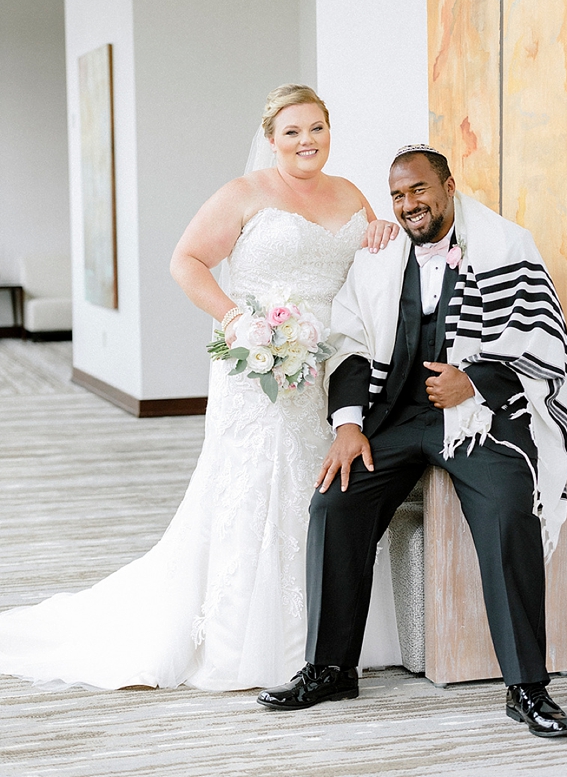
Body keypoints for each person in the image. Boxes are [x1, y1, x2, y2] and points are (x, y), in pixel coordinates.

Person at [0, 84, 402, 691]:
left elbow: (366, 272)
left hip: (333, 364)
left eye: (316, 128)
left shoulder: (350, 194)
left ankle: (332, 634)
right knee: (262, 483)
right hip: (261, 362)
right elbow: (186, 260)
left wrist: (379, 236)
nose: (305, 141)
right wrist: (241, 324)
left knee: (319, 482)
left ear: (329, 131)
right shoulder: (244, 194)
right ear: (271, 139)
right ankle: (255, 639)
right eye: (291, 131)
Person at [257, 144, 567, 738]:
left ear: (449, 186)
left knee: (510, 513)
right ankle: (330, 667)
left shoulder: (508, 245)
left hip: (477, 418)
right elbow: (350, 342)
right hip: (397, 415)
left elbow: (542, 340)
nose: (409, 205)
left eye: (419, 190)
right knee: (334, 501)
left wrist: (474, 380)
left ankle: (528, 687)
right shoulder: (378, 258)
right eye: (398, 195)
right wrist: (349, 424)